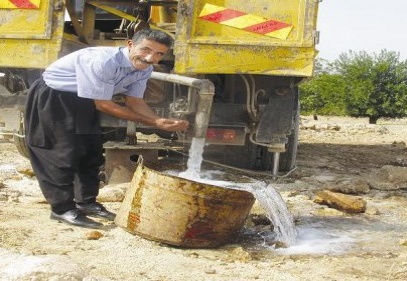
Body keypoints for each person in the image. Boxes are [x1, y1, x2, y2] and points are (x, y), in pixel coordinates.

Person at [24, 29, 189, 229]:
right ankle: (62, 209)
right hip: (55, 96)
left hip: (85, 99)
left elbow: (134, 101)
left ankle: (87, 203)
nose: (150, 57)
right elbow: (105, 106)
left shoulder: (144, 67)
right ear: (130, 44)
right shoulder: (102, 62)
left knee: (90, 152)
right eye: (146, 49)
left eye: (158, 54)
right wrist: (154, 124)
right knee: (61, 154)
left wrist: (160, 120)